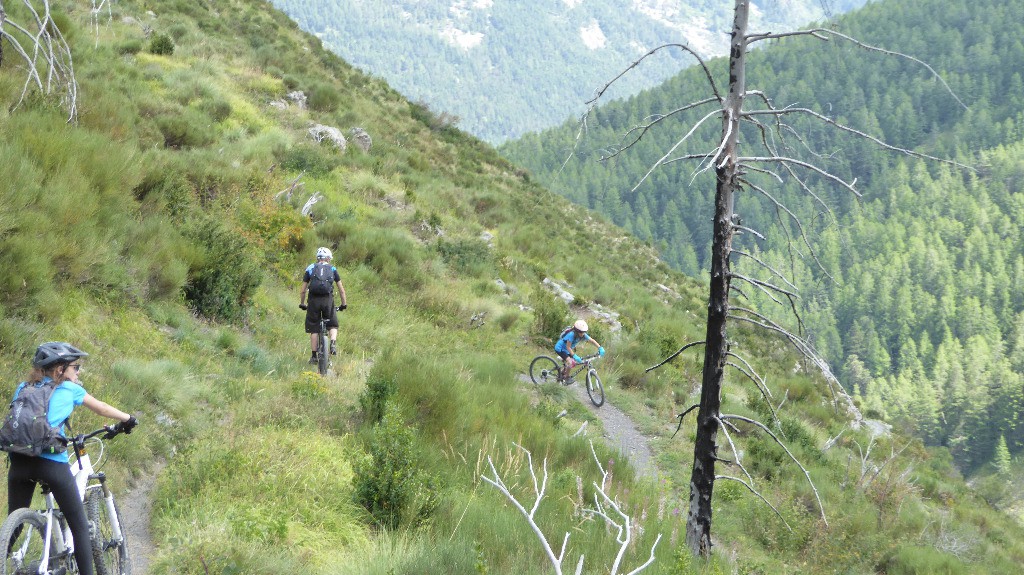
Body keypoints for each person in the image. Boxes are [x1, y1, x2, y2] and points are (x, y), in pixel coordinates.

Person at [6, 342, 138, 575]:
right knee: (79, 527)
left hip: (19, 462)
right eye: (75, 367)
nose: (78, 372)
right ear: (60, 370)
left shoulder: (23, 387)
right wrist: (128, 419)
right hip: (50, 464)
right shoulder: (70, 390)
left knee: (12, 528)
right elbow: (102, 408)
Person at [299, 246, 348, 363]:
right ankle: (332, 344)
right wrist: (343, 304)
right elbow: (341, 290)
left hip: (313, 301)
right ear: (328, 259)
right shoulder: (332, 269)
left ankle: (314, 356)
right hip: (327, 300)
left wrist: (302, 303)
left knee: (314, 328)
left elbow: (303, 290)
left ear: (317, 258)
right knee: (333, 324)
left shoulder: (311, 268)